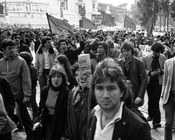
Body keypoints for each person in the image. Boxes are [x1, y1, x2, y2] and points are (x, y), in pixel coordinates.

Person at [87, 58, 151, 140]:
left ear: (122, 91)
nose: (105, 95)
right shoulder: (93, 115)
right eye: (100, 88)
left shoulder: (138, 127)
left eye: (111, 88)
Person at [0, 39, 33, 140]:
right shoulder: (0, 63)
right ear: (3, 49)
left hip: (20, 96)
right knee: (7, 118)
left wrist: (27, 95)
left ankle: (31, 136)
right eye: (9, 48)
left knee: (25, 118)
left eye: (13, 48)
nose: (12, 50)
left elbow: (26, 79)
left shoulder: (21, 61)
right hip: (6, 98)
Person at [33, 65, 70, 140]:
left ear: (63, 79)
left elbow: (67, 114)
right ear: (50, 78)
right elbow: (40, 108)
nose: (56, 79)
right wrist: (37, 121)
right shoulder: (45, 90)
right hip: (46, 122)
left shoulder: (66, 92)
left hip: (59, 124)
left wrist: (65, 133)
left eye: (59, 76)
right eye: (53, 76)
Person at [142, 42, 167, 129]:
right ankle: (151, 115)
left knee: (156, 100)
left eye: (158, 52)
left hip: (158, 82)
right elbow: (143, 69)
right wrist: (149, 73)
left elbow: (166, 68)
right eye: (155, 52)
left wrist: (160, 71)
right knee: (150, 99)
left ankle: (156, 121)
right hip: (149, 81)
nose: (156, 53)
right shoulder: (146, 58)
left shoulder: (163, 58)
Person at [118, 40, 147, 108]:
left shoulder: (139, 63)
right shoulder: (119, 62)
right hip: (122, 94)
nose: (126, 53)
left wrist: (140, 96)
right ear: (122, 52)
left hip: (134, 94)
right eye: (124, 51)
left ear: (131, 51)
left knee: (133, 113)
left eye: (128, 51)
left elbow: (144, 80)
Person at [19, 51, 38, 120]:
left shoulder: (32, 69)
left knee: (32, 104)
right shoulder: (21, 68)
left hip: (31, 89)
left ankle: (35, 117)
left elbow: (34, 81)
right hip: (27, 89)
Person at [161, 56, 175, 140]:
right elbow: (165, 80)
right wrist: (163, 95)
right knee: (168, 123)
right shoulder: (168, 62)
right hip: (170, 96)